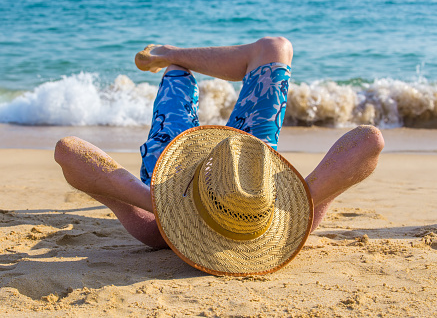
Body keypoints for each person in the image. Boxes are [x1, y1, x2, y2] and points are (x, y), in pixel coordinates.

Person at [54, 37, 385, 250]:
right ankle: (170, 52)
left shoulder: (158, 231)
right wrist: (307, 196)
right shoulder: (287, 225)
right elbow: (369, 141)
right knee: (274, 48)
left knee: (176, 77)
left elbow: (69, 152)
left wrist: (160, 204)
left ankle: (172, 58)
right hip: (246, 161)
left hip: (173, 169)